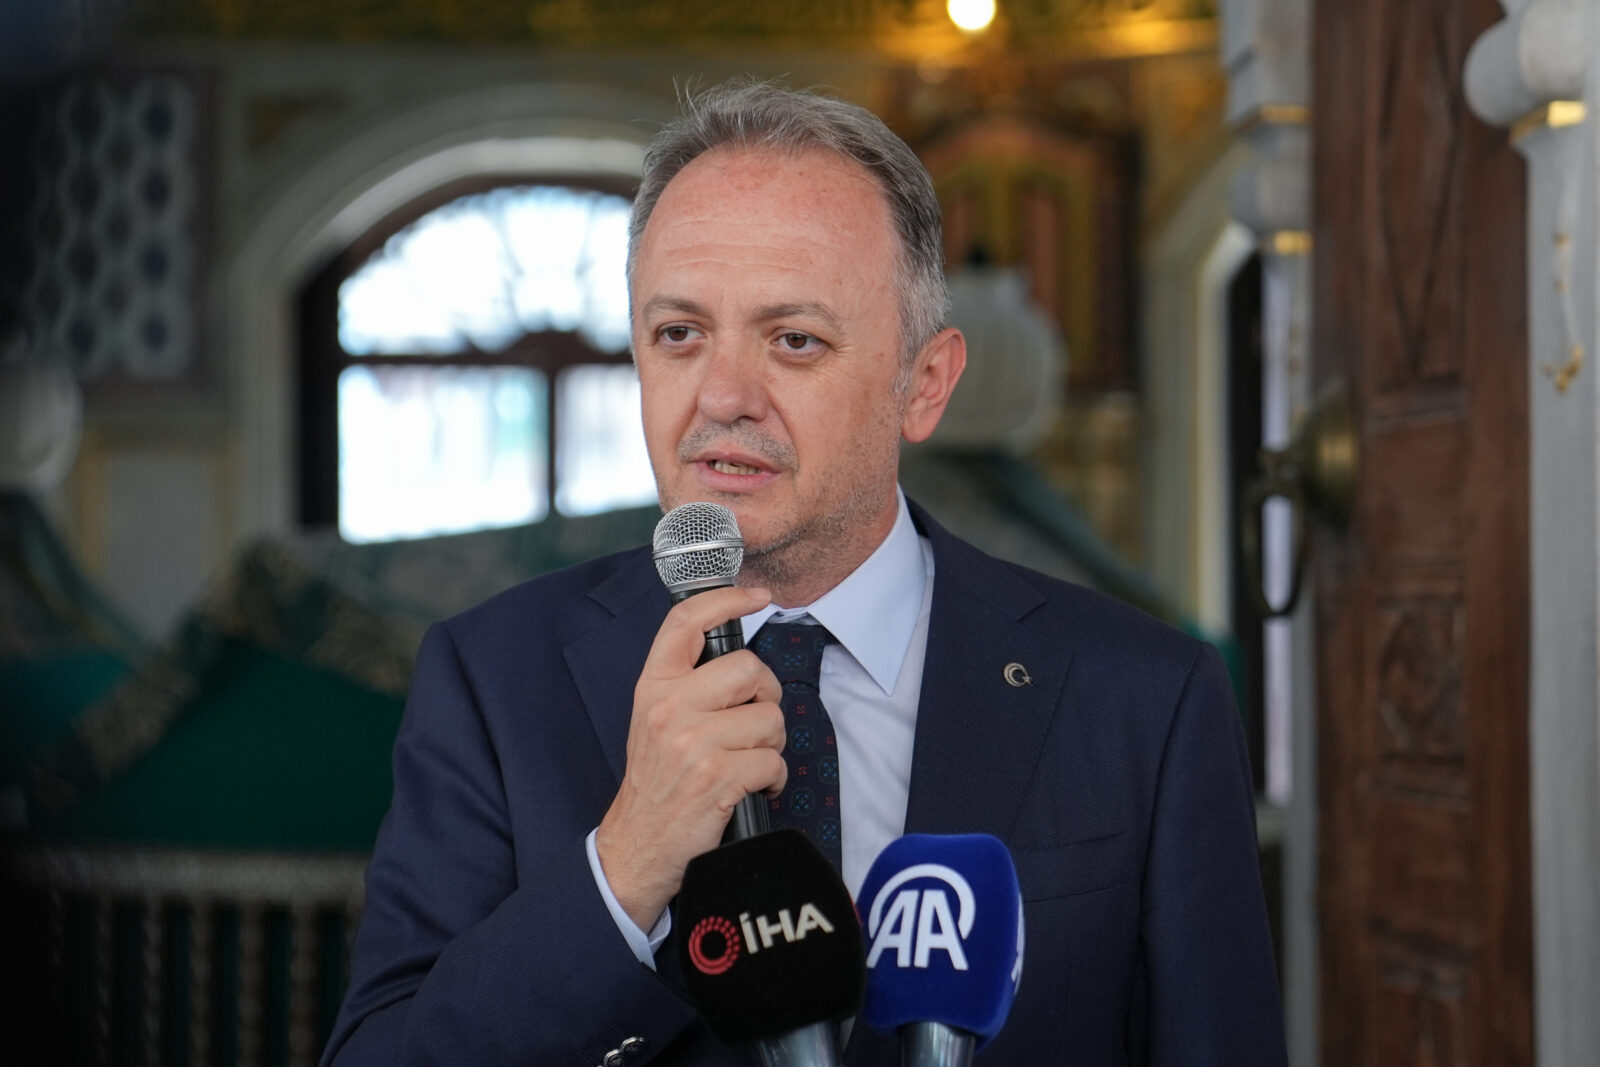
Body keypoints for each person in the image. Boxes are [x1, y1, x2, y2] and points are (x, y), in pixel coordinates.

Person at [322, 79, 1286, 1065]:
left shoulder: (1144, 698)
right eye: (679, 334)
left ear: (924, 383)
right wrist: (628, 863)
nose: (722, 396)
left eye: (793, 339)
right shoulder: (491, 680)